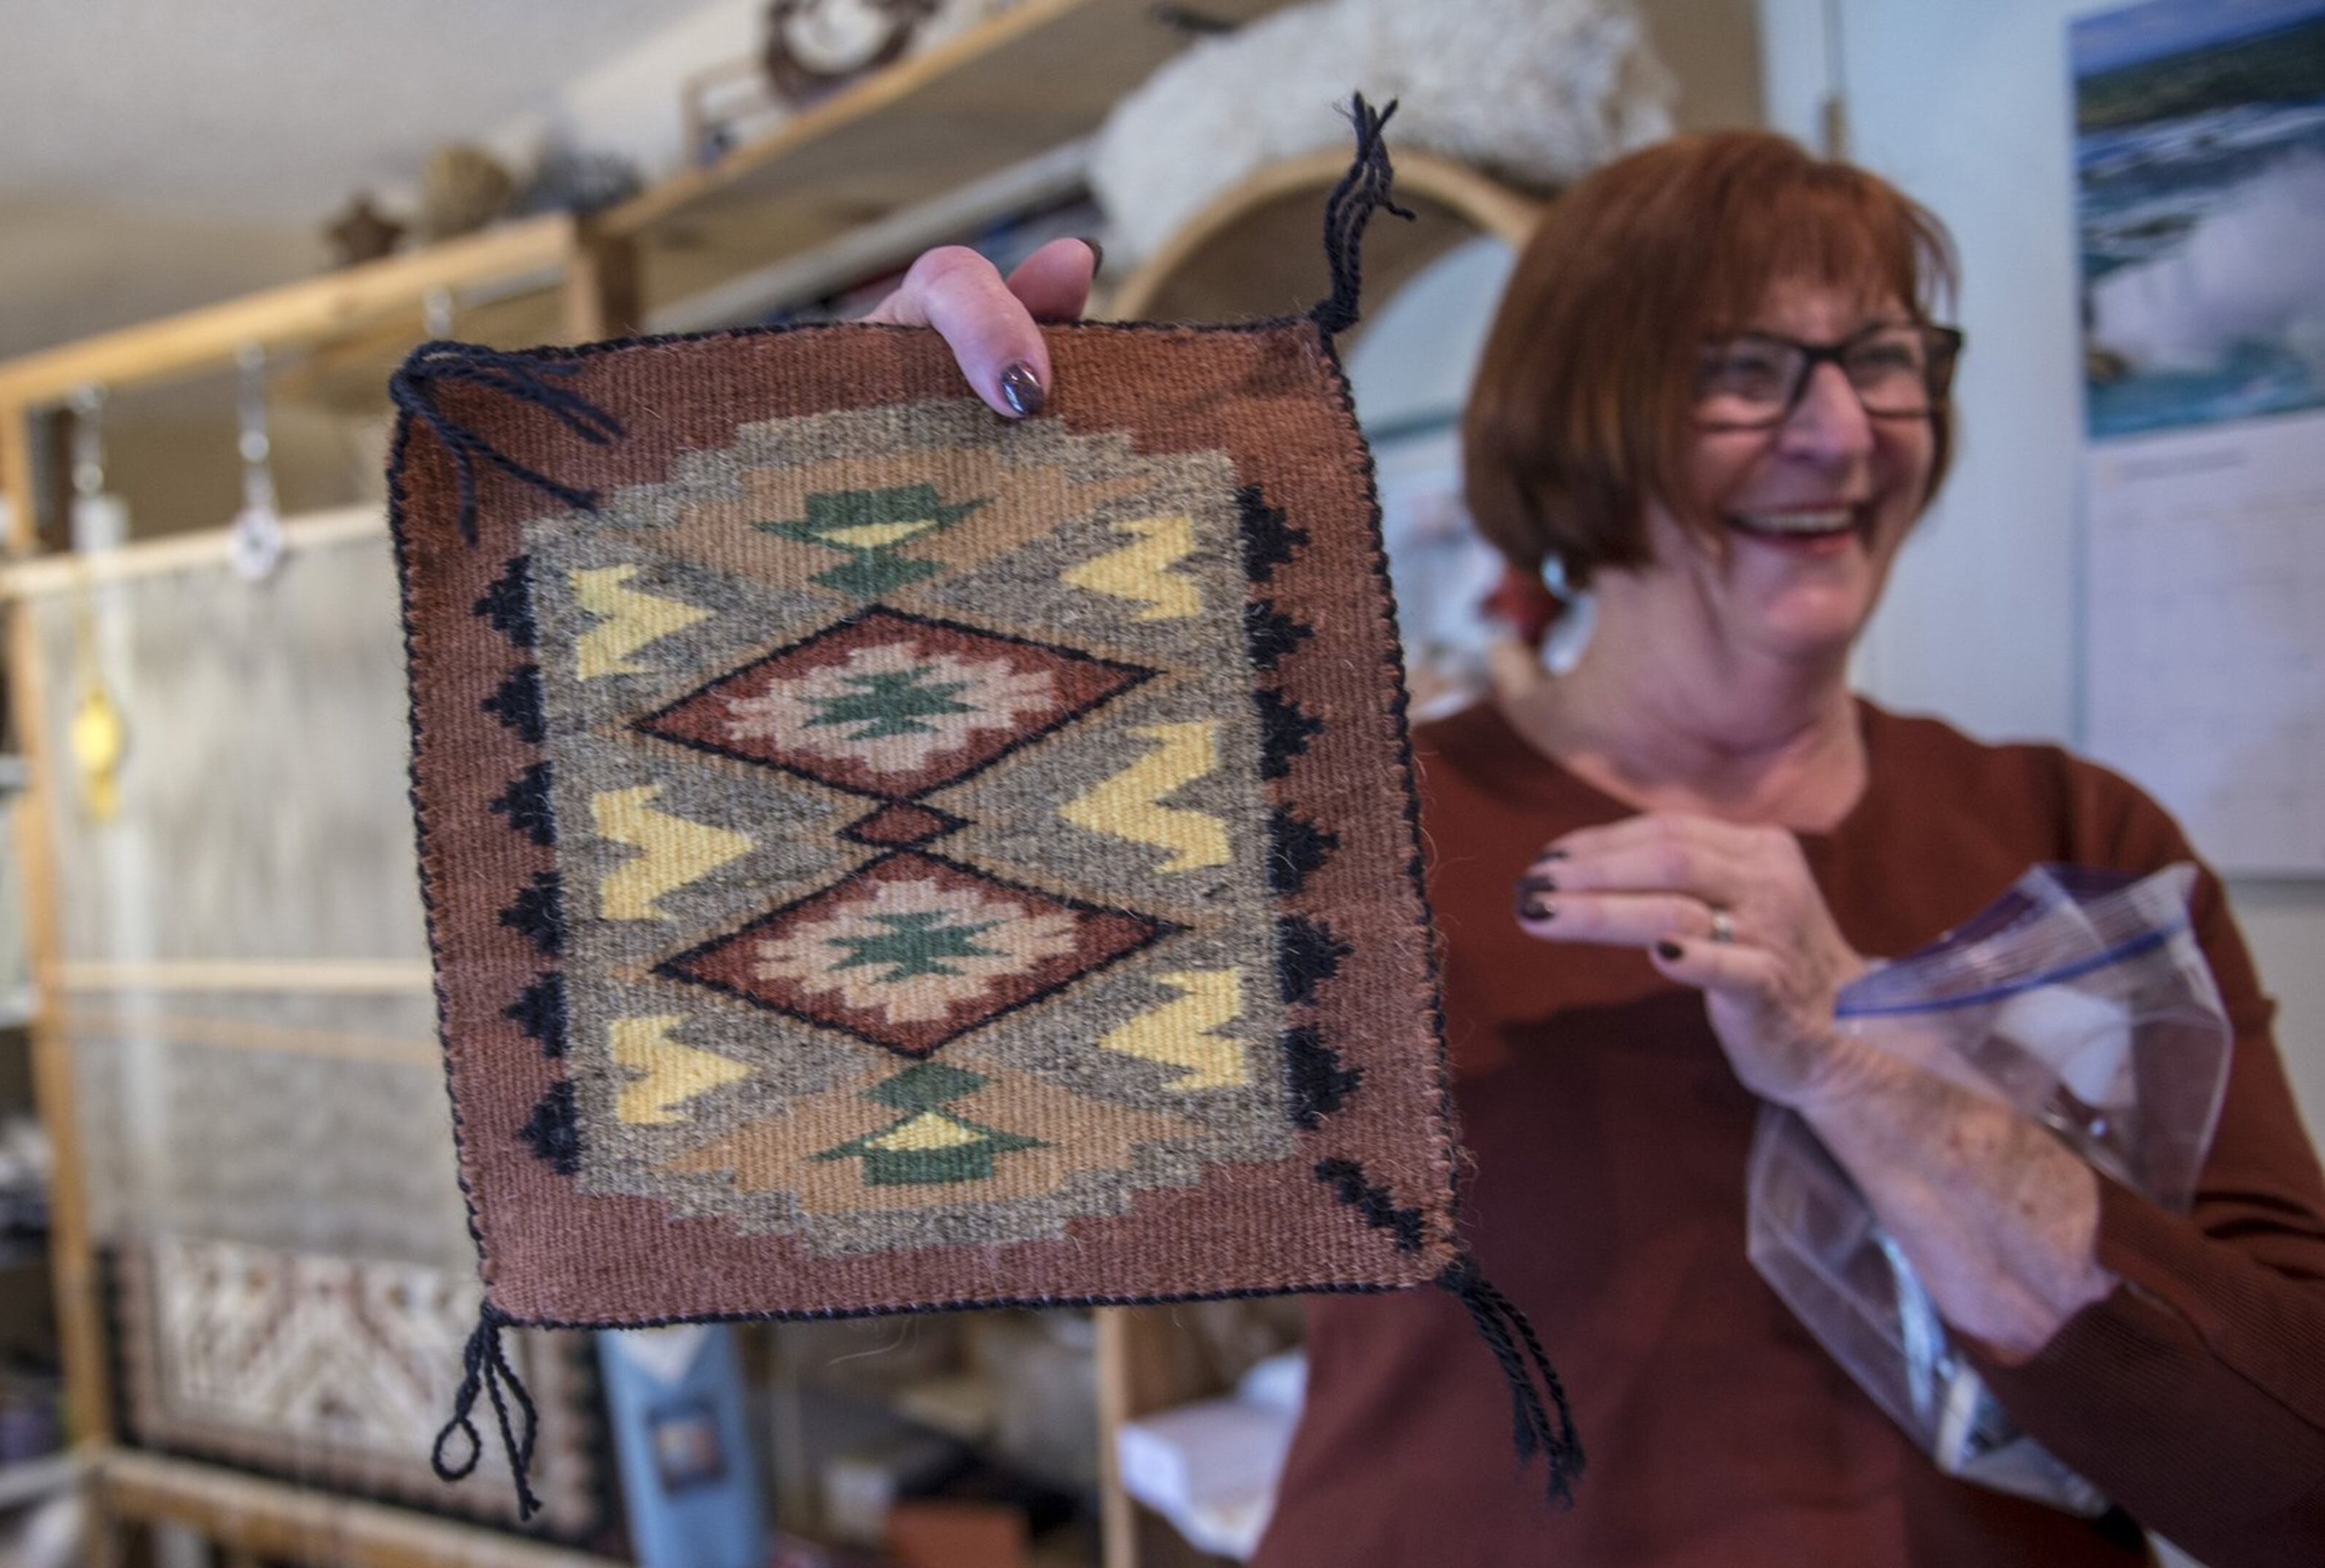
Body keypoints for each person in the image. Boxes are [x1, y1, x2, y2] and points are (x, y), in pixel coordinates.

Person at [866, 131, 2325, 1564]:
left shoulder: (2077, 842)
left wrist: (1855, 1060)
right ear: (1583, 415)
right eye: (1746, 372)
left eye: (1885, 359)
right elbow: (889, 1114)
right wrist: (850, 568)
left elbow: (2292, 1479)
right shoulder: (1328, 832)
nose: (1842, 431)